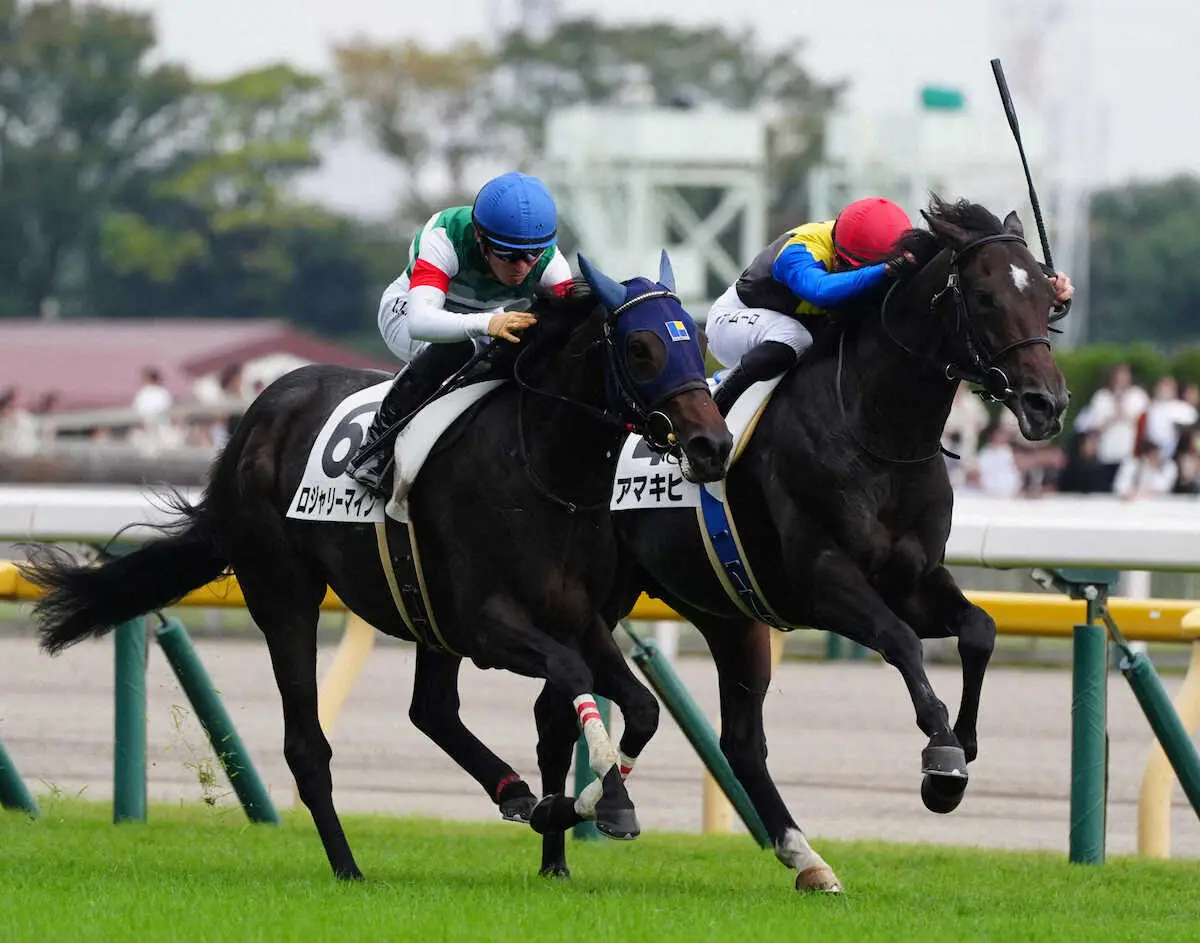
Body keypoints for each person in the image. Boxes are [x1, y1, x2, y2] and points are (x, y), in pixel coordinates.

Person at [705, 198, 1076, 413]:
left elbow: (983, 263)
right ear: (842, 253)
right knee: (795, 337)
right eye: (860, 268)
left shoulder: (871, 240)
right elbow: (820, 291)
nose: (874, 274)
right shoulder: (799, 251)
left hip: (801, 328)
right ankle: (719, 401)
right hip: (736, 324)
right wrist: (883, 271)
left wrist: (1044, 283)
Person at [347, 171, 581, 494]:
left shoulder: (550, 262)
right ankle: (375, 447)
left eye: (532, 255)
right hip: (409, 314)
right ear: (482, 240)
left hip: (483, 325)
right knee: (459, 347)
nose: (522, 267)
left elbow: (571, 330)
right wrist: (487, 323)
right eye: (510, 255)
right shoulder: (445, 236)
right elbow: (422, 321)